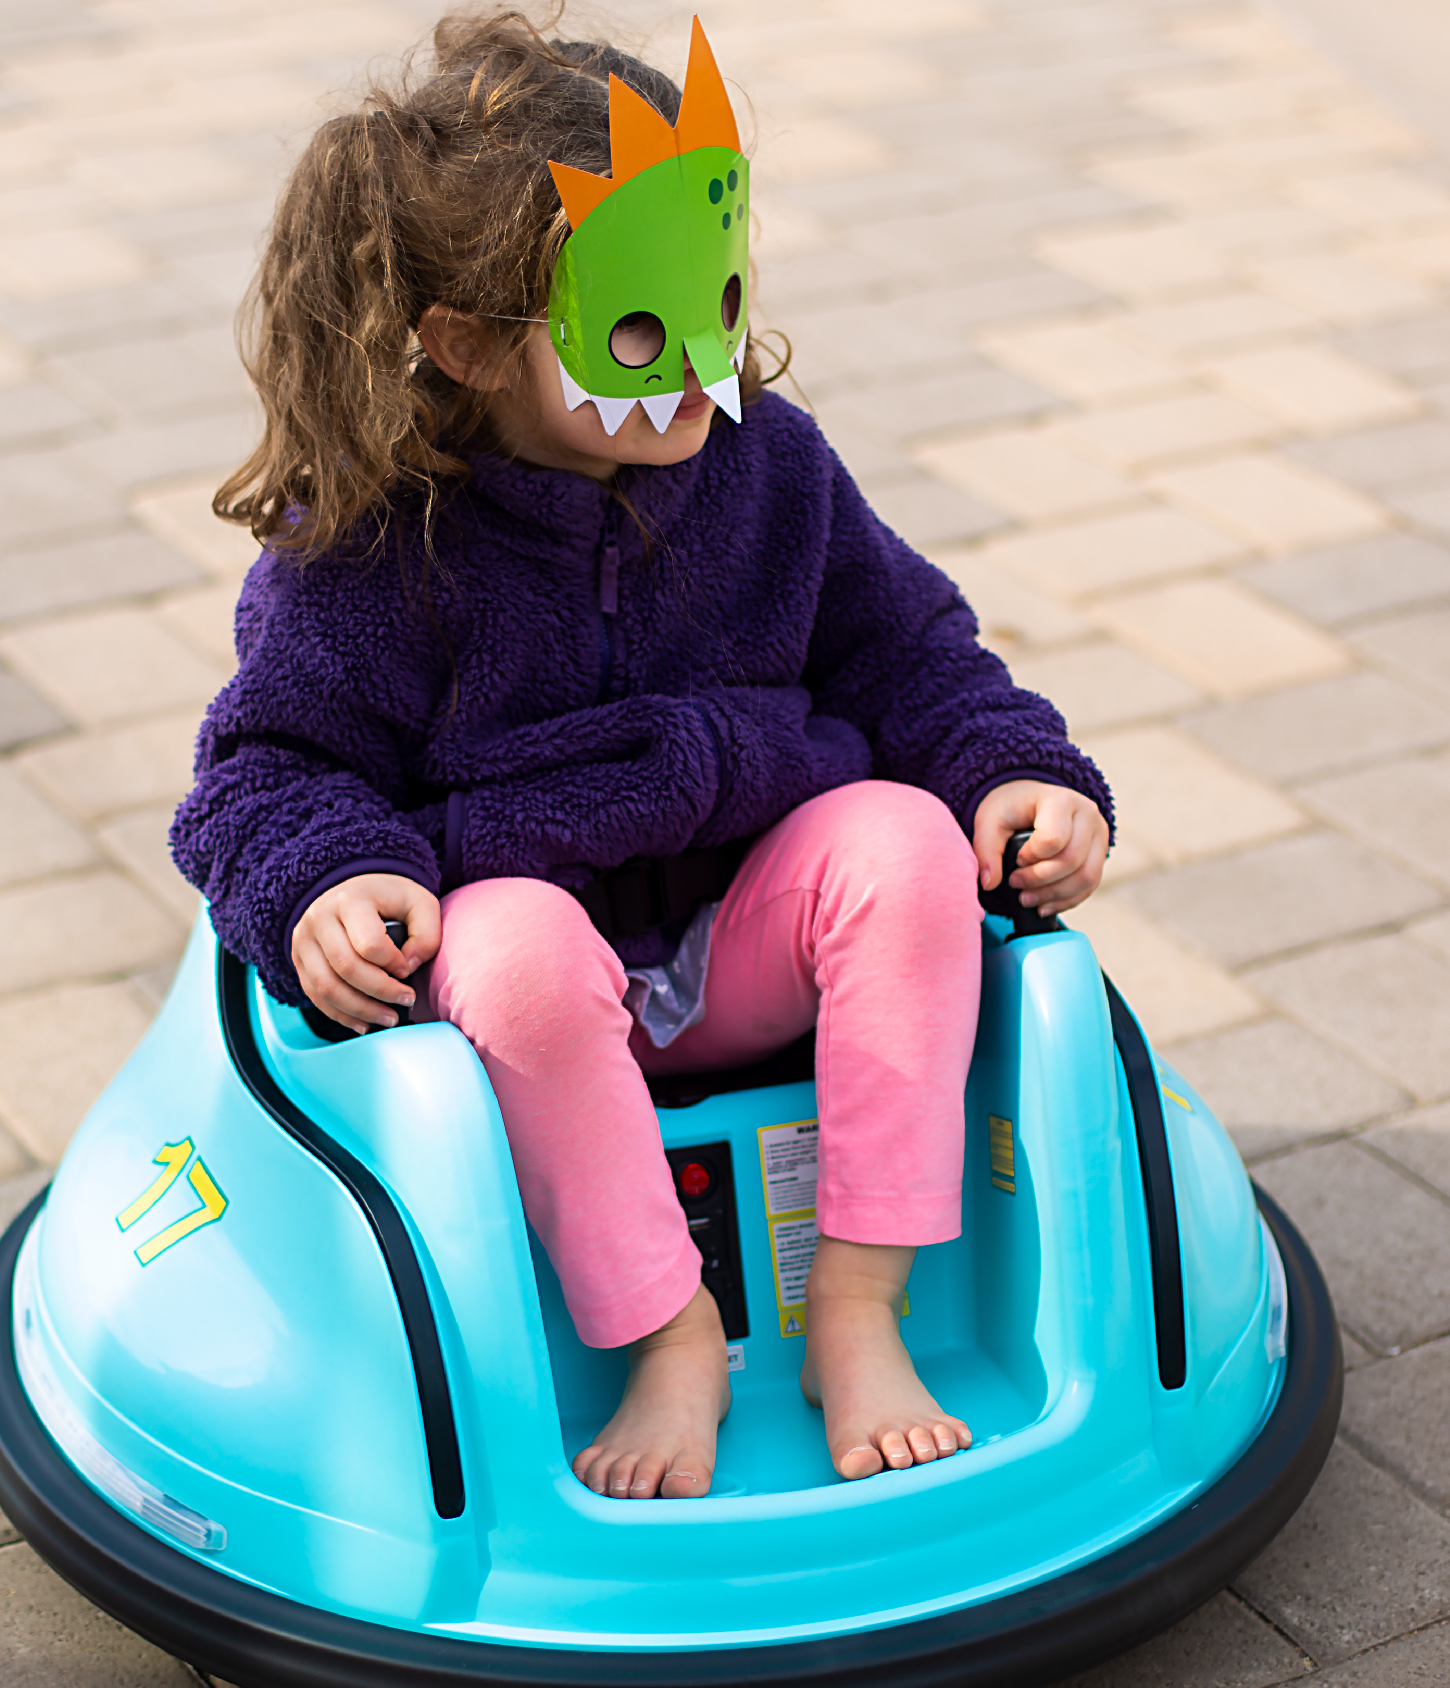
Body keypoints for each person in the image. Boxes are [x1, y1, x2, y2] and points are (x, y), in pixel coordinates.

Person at [170, 8, 1113, 1503]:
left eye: (717, 303)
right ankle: (672, 1336)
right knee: (527, 942)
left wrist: (1013, 768)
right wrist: (328, 882)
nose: (692, 370)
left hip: (750, 950)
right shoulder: (370, 550)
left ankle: (858, 1312)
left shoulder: (767, 467)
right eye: (632, 330)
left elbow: (907, 648)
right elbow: (267, 771)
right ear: (468, 343)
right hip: (520, 996)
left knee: (900, 843)